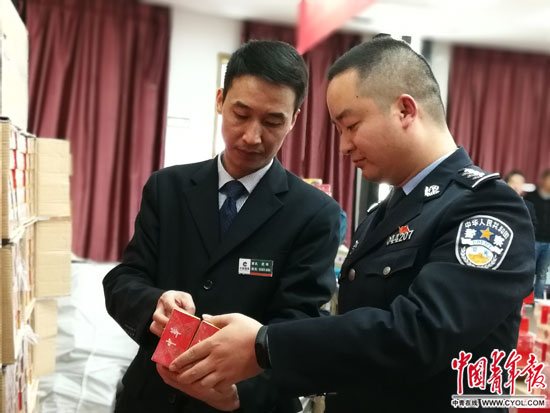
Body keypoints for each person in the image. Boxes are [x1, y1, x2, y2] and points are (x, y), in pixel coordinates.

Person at [168, 36, 535, 413]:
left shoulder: (485, 208)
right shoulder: (383, 215)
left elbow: (420, 334)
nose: (343, 146)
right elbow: (355, 341)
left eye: (351, 125)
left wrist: (266, 345)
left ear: (405, 110)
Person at [103, 40, 341, 413]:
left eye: (272, 122)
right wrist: (155, 305)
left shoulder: (315, 214)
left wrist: (240, 394)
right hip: (151, 398)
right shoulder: (167, 188)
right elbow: (125, 279)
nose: (252, 136)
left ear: (294, 119)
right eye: (240, 114)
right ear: (220, 101)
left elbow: (299, 325)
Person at [525, 169, 550, 299]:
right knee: (528, 271)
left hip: (548, 243)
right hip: (533, 240)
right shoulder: (531, 197)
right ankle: (525, 299)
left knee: (542, 274)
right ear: (543, 180)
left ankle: (538, 300)